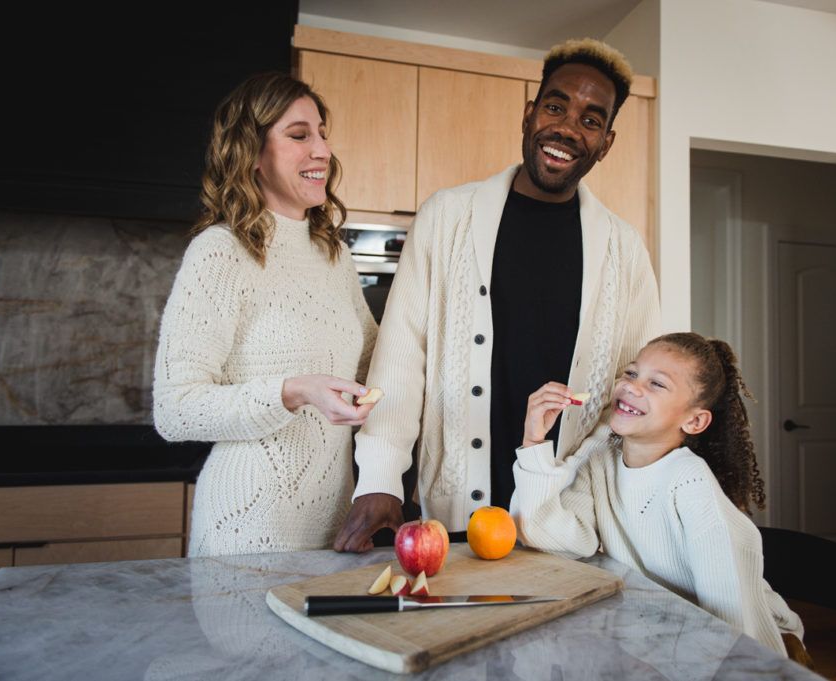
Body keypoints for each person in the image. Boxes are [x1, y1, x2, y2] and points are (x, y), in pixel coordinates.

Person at [333, 38, 661, 553]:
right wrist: (379, 479)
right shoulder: (446, 218)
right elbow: (400, 358)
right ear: (529, 115)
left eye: (591, 120)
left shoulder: (625, 251)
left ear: (607, 142)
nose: (568, 129)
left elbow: (641, 394)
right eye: (556, 106)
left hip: (571, 526)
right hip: (456, 521)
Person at [153, 72, 378, 557]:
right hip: (247, 527)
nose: (321, 150)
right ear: (252, 154)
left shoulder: (333, 255)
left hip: (335, 525)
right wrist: (292, 391)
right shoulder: (221, 252)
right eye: (299, 136)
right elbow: (175, 409)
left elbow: (373, 369)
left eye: (322, 133)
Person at [511, 332, 807, 659]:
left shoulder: (688, 482)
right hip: (666, 633)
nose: (633, 386)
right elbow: (548, 534)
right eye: (632, 373)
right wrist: (533, 440)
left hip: (749, 643)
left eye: (657, 384)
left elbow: (730, 609)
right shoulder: (601, 462)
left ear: (694, 421)